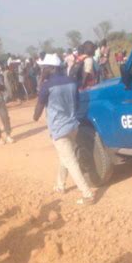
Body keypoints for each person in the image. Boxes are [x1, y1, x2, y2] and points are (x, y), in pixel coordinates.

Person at [33, 53, 94, 205]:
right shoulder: (72, 81)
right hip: (73, 125)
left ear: (51, 68)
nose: (43, 70)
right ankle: (60, 185)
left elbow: (37, 111)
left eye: (44, 68)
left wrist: (35, 117)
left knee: (70, 161)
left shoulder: (47, 86)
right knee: (65, 156)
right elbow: (78, 102)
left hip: (59, 129)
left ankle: (87, 194)